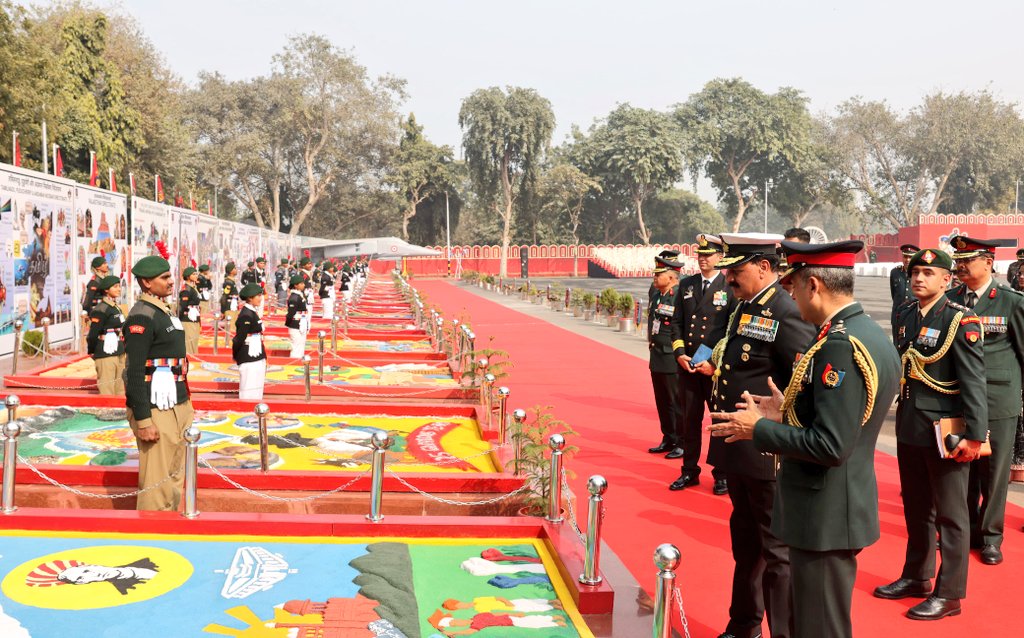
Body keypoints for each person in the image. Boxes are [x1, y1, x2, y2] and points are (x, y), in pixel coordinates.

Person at [709, 240, 900, 638]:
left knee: (819, 627)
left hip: (825, 510)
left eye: (792, 285)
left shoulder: (839, 346)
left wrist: (758, 429)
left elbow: (831, 445)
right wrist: (786, 411)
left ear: (813, 285)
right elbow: (842, 417)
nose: (789, 294)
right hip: (831, 506)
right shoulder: (862, 331)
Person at [691, 232, 815, 638]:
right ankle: (744, 623)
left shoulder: (785, 312)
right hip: (739, 447)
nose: (728, 279)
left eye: (736, 271)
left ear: (764, 268)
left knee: (776, 552)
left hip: (766, 453)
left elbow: (803, 383)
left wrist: (779, 429)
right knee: (745, 544)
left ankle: (782, 631)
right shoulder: (745, 308)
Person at [874, 248, 987, 620]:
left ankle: (950, 593)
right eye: (915, 272)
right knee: (917, 508)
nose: (919, 278)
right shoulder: (906, 313)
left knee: (951, 515)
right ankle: (917, 576)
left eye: (928, 272)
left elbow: (973, 381)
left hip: (947, 430)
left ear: (946, 279)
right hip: (910, 425)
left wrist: (975, 435)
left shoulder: (960, 319)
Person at [946, 235, 1024, 565]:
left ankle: (991, 536)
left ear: (988, 263)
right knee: (961, 467)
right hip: (957, 398)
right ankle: (965, 530)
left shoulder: (1011, 301)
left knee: (994, 471)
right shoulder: (949, 300)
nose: (960, 267)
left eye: (968, 261)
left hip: (998, 398)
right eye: (958, 261)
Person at [123, 255, 193, 512]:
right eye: (164, 278)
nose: (171, 281)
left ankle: (169, 525)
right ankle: (152, 533)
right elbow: (133, 371)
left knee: (174, 475)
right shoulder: (142, 316)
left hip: (176, 402)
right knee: (157, 481)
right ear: (146, 282)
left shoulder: (162, 311)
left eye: (169, 275)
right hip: (155, 408)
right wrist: (143, 420)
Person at [670, 234, 734, 494]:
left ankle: (721, 474)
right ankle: (689, 471)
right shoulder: (687, 285)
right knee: (689, 421)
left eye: (709, 255)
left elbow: (730, 330)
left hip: (712, 367)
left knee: (718, 422)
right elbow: (676, 323)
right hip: (688, 365)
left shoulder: (730, 287)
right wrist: (680, 353)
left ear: (720, 257)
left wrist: (710, 360)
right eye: (700, 255)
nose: (703, 259)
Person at [646, 254, 684, 458]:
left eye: (659, 274)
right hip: (657, 355)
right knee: (662, 401)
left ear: (671, 277)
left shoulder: (679, 296)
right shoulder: (657, 294)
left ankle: (681, 441)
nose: (654, 276)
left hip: (672, 357)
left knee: (676, 402)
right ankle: (668, 437)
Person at [85, 275, 126, 395]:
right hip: (105, 352)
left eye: (119, 286)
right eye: (115, 287)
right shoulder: (101, 309)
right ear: (106, 290)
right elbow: (93, 334)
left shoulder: (116, 308)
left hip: (119, 350)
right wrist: (91, 350)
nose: (119, 289)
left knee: (120, 389)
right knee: (107, 388)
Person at [233, 283, 267, 400]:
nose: (260, 298)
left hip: (256, 353)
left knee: (257, 386)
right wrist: (237, 355)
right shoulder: (246, 315)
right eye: (257, 295)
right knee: (249, 387)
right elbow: (239, 339)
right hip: (248, 355)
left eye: (260, 295)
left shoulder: (252, 312)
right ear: (249, 298)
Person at [889, 244, 919, 340]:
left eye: (910, 257)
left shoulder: (919, 274)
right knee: (896, 345)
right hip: (897, 316)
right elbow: (894, 295)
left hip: (913, 316)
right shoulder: (895, 273)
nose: (907, 260)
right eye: (905, 256)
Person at [178, 267, 201, 355]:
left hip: (194, 317)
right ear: (188, 276)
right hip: (188, 319)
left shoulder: (193, 287)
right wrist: (178, 319)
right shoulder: (186, 289)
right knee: (189, 342)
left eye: (196, 274)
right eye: (193, 274)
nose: (196, 276)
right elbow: (182, 305)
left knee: (194, 341)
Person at [286, 274, 309, 358]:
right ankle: (295, 361)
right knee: (296, 346)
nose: (304, 285)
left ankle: (300, 360)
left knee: (301, 344)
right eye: (301, 283)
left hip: (301, 322)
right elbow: (290, 314)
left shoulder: (299, 295)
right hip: (296, 323)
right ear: (295, 285)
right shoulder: (294, 297)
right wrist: (289, 323)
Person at [221, 262, 240, 332]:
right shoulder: (229, 282)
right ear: (231, 271)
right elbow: (224, 296)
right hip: (229, 306)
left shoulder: (232, 281)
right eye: (234, 268)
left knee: (234, 324)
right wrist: (223, 310)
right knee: (231, 327)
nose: (236, 270)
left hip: (234, 305)